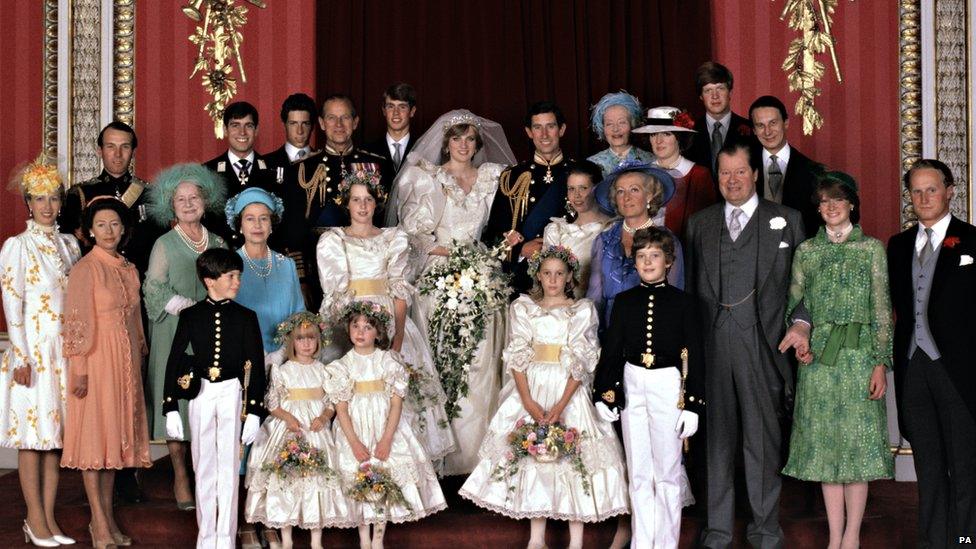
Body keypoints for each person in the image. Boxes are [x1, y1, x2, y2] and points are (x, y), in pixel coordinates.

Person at [459, 246, 629, 549]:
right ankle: (536, 537)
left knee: (573, 458)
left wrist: (562, 404)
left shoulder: (582, 310)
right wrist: (528, 402)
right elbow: (517, 357)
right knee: (534, 457)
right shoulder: (524, 307)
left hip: (568, 390)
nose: (552, 280)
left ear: (569, 278)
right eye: (547, 273)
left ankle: (576, 539)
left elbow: (582, 359)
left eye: (559, 274)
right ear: (538, 275)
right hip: (532, 388)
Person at [684, 142, 810, 548]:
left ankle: (765, 531)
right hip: (714, 345)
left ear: (756, 174)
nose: (732, 180)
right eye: (724, 173)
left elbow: (805, 288)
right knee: (716, 442)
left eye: (740, 172)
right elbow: (689, 289)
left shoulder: (787, 221)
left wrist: (803, 323)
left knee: (762, 441)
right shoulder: (699, 224)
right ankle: (717, 532)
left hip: (764, 344)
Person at [394, 109, 516, 475]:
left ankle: (477, 458)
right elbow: (411, 233)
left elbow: (504, 224)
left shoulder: (493, 178)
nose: (463, 145)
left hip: (481, 272)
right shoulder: (425, 178)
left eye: (470, 139)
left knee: (481, 362)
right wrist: (448, 252)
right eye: (457, 138)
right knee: (438, 361)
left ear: (478, 144)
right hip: (439, 273)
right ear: (445, 143)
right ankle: (440, 457)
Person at [780, 171, 893, 549]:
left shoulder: (871, 249)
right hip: (819, 363)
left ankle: (852, 536)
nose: (830, 207)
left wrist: (880, 363)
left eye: (837, 200)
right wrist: (800, 338)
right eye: (824, 201)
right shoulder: (807, 252)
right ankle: (833, 537)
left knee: (857, 450)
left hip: (860, 359)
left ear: (851, 205)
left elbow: (881, 309)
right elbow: (797, 304)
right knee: (826, 451)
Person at [316, 170, 455, 462]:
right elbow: (336, 293)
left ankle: (400, 460)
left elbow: (399, 290)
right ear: (347, 203)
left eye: (368, 199)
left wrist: (399, 334)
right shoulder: (334, 240)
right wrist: (350, 334)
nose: (363, 206)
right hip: (350, 321)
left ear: (377, 203)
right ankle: (350, 457)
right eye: (356, 200)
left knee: (394, 385)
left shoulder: (394, 238)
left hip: (387, 317)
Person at [592, 227, 705, 549]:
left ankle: (666, 544)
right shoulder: (626, 302)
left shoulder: (685, 303)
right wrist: (604, 391)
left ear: (668, 261)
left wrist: (693, 404)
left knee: (667, 474)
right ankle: (643, 543)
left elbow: (695, 354)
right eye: (641, 256)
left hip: (668, 385)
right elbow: (612, 350)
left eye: (655, 255)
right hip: (633, 383)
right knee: (639, 473)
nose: (647, 262)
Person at [887, 159, 976, 547]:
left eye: (932, 189)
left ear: (950, 191)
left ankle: (965, 541)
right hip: (913, 367)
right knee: (928, 464)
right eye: (916, 191)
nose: (924, 198)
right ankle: (933, 542)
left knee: (965, 466)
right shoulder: (898, 245)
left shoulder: (973, 241)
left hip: (959, 371)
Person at [61, 197, 152, 548]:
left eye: (115, 224)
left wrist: (141, 353)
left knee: (113, 441)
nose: (109, 231)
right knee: (94, 440)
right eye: (101, 225)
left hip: (125, 360)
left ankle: (108, 518)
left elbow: (135, 319)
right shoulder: (86, 268)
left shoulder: (127, 266)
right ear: (89, 231)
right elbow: (77, 321)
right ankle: (98, 523)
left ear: (124, 228)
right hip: (97, 359)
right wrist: (80, 369)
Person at [162, 248, 267, 549]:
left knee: (228, 470)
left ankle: (225, 537)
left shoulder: (247, 317)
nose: (237, 282)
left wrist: (255, 412)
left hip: (232, 393)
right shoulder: (192, 316)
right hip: (203, 394)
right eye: (231, 276)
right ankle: (206, 537)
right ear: (210, 280)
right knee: (204, 464)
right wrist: (170, 406)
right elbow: (175, 358)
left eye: (239, 276)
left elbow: (255, 365)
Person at [0, 159, 81, 546]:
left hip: (64, 353)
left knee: (56, 440)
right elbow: (12, 303)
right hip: (34, 352)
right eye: (39, 198)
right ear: (28, 203)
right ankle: (33, 519)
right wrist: (22, 356)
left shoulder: (70, 245)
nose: (47, 205)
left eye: (53, 197)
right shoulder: (17, 245)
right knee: (33, 438)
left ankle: (49, 518)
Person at [327, 301, 447, 548]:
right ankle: (363, 540)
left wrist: (386, 439)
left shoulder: (388, 362)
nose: (360, 332)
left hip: (384, 427)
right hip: (354, 429)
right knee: (358, 478)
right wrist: (355, 443)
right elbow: (341, 408)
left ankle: (378, 540)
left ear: (378, 332)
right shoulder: (341, 366)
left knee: (384, 476)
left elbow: (396, 404)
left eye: (368, 327)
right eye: (356, 326)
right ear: (348, 330)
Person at [143, 163, 228, 511]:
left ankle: (205, 473)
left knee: (208, 401)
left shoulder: (220, 242)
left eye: (194, 197)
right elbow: (153, 289)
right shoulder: (164, 243)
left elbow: (229, 284)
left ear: (205, 202)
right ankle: (180, 476)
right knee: (176, 402)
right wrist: (188, 307)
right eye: (181, 199)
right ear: (170, 205)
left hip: (212, 333)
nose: (189, 203)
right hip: (174, 333)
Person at [244, 312, 350, 549]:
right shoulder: (283, 370)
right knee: (286, 481)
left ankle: (316, 540)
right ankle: (287, 539)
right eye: (300, 339)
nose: (306, 343)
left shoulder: (324, 370)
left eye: (311, 338)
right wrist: (288, 418)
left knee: (316, 482)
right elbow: (272, 403)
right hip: (289, 428)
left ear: (318, 341)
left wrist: (324, 416)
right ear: (291, 342)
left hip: (315, 430)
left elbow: (331, 402)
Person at [281, 95, 393, 311]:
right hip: (317, 270)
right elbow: (292, 231)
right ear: (322, 123)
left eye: (345, 118)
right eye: (332, 118)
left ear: (356, 122)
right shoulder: (301, 169)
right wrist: (301, 280)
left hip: (366, 270)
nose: (339, 125)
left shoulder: (377, 165)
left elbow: (385, 223)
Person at [482, 101, 598, 294]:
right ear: (529, 132)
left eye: (550, 126)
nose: (544, 135)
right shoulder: (512, 177)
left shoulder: (583, 172)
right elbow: (491, 236)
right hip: (523, 279)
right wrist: (519, 250)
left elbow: (597, 225)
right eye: (537, 127)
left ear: (561, 129)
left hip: (573, 278)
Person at [587, 162, 684, 330]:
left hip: (651, 331)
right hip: (610, 332)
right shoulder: (603, 241)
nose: (626, 198)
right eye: (620, 191)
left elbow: (673, 298)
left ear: (650, 195)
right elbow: (594, 298)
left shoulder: (667, 241)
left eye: (634, 189)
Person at [225, 187, 305, 353]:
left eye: (264, 218)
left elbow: (299, 313)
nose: (257, 225)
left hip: (287, 357)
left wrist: (283, 353)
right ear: (239, 225)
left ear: (271, 224)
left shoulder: (287, 264)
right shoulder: (228, 266)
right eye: (249, 219)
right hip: (244, 356)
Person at [634, 105, 720, 240]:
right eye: (653, 134)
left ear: (679, 138)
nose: (658, 141)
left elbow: (707, 227)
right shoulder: (641, 175)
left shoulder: (699, 175)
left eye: (667, 134)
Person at [749, 95, 823, 238]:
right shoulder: (744, 168)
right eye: (760, 125)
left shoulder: (811, 170)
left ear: (786, 123)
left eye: (773, 123)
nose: (767, 131)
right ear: (753, 130)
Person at [203, 101, 276, 245]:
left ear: (256, 130)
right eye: (235, 125)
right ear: (225, 130)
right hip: (222, 257)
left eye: (248, 126)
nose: (242, 132)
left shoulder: (273, 170)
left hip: (263, 256)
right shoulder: (207, 172)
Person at [541, 161, 612, 297]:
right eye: (571, 189)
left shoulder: (611, 229)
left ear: (597, 189)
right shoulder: (557, 230)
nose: (576, 195)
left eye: (583, 188)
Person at [688, 62, 753, 176]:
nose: (715, 96)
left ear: (730, 92)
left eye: (720, 88)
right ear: (701, 96)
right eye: (708, 90)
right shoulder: (690, 132)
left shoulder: (751, 129)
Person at [586, 91, 654, 177]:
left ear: (632, 125)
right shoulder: (591, 164)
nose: (615, 129)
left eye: (622, 122)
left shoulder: (650, 160)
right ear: (603, 129)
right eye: (609, 124)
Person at [364, 83, 419, 175]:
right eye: (390, 106)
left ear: (412, 111)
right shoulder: (367, 151)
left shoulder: (422, 149)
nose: (396, 113)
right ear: (384, 111)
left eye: (402, 107)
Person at [264, 93, 319, 175]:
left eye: (305, 123)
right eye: (293, 123)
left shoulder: (323, 162)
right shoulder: (266, 163)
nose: (300, 131)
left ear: (312, 126)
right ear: (284, 125)